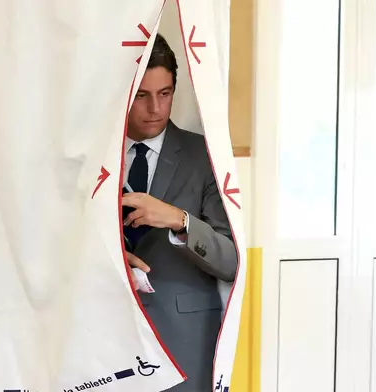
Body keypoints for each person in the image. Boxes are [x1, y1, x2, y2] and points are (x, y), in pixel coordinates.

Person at [121, 34, 238, 392]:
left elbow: (231, 261)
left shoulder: (204, 155)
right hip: (105, 340)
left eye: (165, 93)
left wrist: (180, 221)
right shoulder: (89, 157)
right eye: (142, 95)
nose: (155, 108)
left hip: (184, 344)